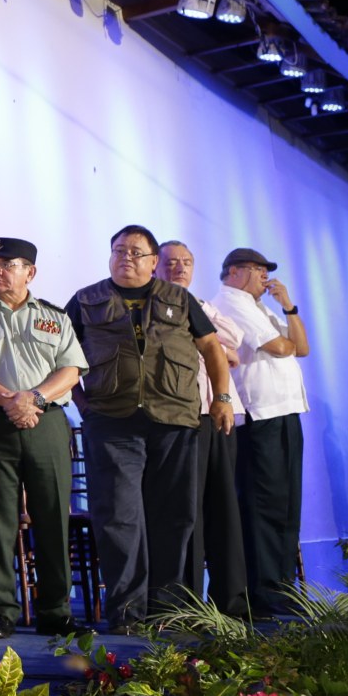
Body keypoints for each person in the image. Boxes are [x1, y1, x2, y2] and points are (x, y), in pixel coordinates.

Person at [67, 226, 232, 634]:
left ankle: (167, 609)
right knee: (118, 517)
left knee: (174, 517)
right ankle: (126, 612)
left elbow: (212, 348)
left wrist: (222, 398)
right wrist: (82, 404)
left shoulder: (179, 298)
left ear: (153, 261)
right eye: (119, 250)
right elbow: (62, 355)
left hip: (174, 421)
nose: (126, 257)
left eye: (136, 252)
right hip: (112, 423)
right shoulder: (86, 300)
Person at [0, 237, 89, 640]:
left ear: (30, 272)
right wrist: (10, 400)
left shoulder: (54, 317)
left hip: (46, 421)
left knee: (52, 516)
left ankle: (55, 611)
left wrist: (34, 398)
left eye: (6, 265)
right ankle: (1, 611)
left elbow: (71, 369)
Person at [209, 247, 309, 616]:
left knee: (286, 505)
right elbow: (280, 347)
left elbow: (301, 348)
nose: (265, 277)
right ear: (234, 271)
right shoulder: (230, 301)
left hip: (285, 411)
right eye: (258, 269)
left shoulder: (262, 307)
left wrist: (289, 307)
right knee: (262, 505)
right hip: (259, 414)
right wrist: (286, 340)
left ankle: (283, 588)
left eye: (267, 270)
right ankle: (263, 591)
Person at [157, 242, 249, 619]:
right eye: (171, 263)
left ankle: (231, 602)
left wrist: (197, 311)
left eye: (187, 262)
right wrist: (219, 352)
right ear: (154, 266)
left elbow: (233, 341)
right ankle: (189, 604)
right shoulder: (155, 306)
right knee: (186, 512)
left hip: (218, 413)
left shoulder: (199, 304)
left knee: (224, 508)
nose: (179, 268)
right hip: (181, 416)